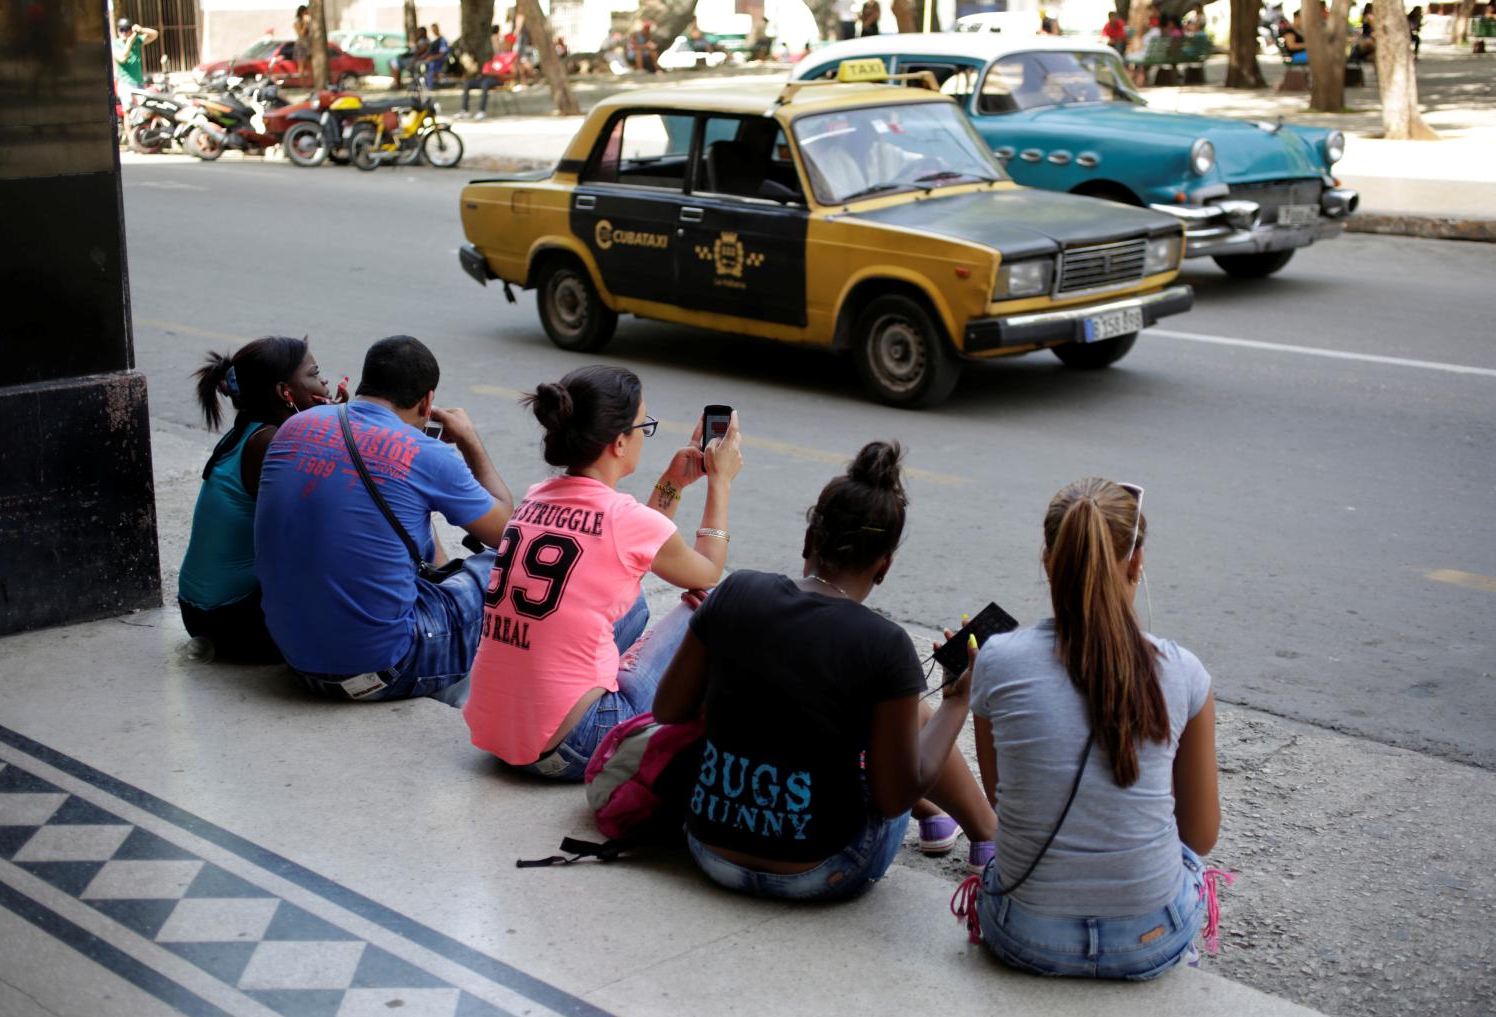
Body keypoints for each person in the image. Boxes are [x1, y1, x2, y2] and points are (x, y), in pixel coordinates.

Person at [653, 443, 997, 900]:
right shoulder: (885, 644)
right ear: (884, 566)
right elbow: (892, 799)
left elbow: (669, 709)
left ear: (809, 539)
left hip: (712, 851)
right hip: (822, 869)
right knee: (915, 716)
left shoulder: (735, 592)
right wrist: (956, 703)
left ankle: (938, 815)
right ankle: (987, 837)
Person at [953, 477, 1222, 979]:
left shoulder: (997, 660)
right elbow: (1200, 836)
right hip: (1151, 938)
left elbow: (1002, 797)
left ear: (1048, 562)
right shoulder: (1183, 671)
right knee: (1185, 863)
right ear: (1136, 565)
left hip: (1025, 934)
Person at [463, 366, 744, 779]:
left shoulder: (536, 498)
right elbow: (707, 571)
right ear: (618, 442)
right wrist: (720, 482)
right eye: (642, 427)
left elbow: (639, 551)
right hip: (575, 743)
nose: (641, 439)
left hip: (498, 734)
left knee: (633, 602)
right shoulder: (623, 519)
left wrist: (673, 483)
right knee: (709, 607)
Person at [254, 336, 514, 704]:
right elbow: (511, 535)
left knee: (407, 519)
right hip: (384, 671)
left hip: (297, 660)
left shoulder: (294, 427)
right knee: (502, 570)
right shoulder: (428, 454)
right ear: (427, 401)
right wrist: (470, 441)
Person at [179, 337, 341, 662]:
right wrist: (342, 425)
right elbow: (323, 523)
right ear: (286, 392)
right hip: (230, 620)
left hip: (204, 612)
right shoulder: (268, 444)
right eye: (314, 373)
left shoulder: (251, 431)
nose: (324, 381)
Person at [112, 18, 158, 108]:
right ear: (118, 31)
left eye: (127, 30)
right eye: (122, 30)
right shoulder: (115, 44)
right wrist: (129, 42)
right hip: (125, 84)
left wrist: (141, 30)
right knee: (128, 112)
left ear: (131, 30)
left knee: (143, 110)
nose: (124, 33)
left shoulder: (137, 41)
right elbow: (122, 58)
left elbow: (154, 34)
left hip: (139, 82)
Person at [426, 23, 449, 88]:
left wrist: (432, 58)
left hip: (438, 61)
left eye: (435, 30)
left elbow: (442, 54)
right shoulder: (433, 40)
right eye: (432, 30)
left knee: (431, 66)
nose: (434, 32)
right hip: (432, 59)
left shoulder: (442, 40)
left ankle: (431, 86)